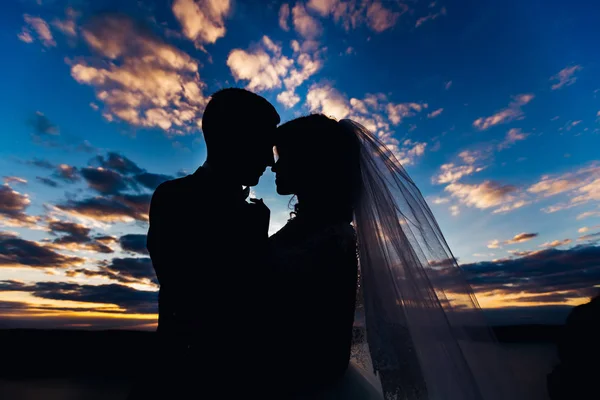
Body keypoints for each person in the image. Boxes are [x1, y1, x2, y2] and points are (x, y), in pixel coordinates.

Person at [268, 114, 523, 399]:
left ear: (310, 162)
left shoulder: (334, 240)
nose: (274, 166)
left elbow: (331, 351)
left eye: (284, 156)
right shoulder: (310, 229)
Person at [129, 88, 279, 399]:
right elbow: (197, 296)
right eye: (264, 144)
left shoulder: (251, 213)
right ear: (232, 138)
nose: (269, 160)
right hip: (184, 379)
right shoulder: (173, 198)